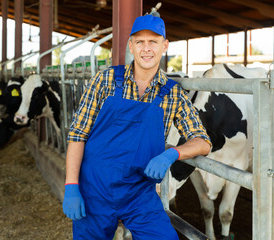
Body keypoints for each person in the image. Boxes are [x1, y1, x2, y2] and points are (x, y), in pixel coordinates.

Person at [62, 14, 212, 240]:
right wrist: (71, 186)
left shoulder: (172, 94)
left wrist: (172, 153)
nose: (146, 49)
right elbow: (77, 135)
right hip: (95, 189)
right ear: (131, 46)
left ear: (164, 46)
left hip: (138, 193)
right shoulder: (105, 81)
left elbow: (203, 142)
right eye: (140, 42)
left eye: (153, 41)